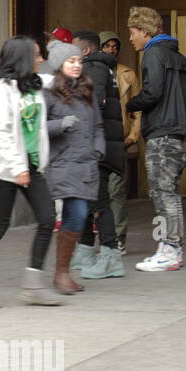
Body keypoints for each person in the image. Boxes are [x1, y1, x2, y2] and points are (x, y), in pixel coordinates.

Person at [0, 36, 61, 308]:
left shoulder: (33, 85)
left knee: (46, 219)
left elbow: (59, 80)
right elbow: (0, 133)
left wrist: (71, 66)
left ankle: (33, 284)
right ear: (22, 58)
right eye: (37, 55)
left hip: (33, 166)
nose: (42, 59)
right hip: (6, 168)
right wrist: (18, 166)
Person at [124, 6, 186, 272]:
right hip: (176, 135)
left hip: (161, 135)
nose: (131, 38)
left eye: (133, 32)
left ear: (145, 32)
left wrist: (128, 104)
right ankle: (170, 248)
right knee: (167, 192)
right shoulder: (179, 57)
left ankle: (171, 249)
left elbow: (152, 93)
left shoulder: (152, 54)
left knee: (163, 193)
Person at [42, 42, 105, 294]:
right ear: (59, 65)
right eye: (71, 61)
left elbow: (98, 127)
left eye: (79, 60)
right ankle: (60, 273)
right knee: (76, 214)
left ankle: (62, 273)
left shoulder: (87, 91)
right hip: (62, 164)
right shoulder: (47, 94)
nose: (77, 65)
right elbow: (35, 128)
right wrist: (60, 124)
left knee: (77, 217)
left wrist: (98, 149)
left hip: (87, 164)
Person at [70, 31, 126, 280]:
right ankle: (84, 251)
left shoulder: (94, 67)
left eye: (73, 49)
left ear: (85, 51)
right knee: (87, 199)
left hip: (96, 147)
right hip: (99, 144)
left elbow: (93, 104)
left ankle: (110, 256)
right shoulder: (102, 67)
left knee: (100, 202)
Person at [100, 30, 138, 254]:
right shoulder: (89, 71)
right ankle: (93, 238)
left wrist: (133, 135)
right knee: (95, 191)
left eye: (115, 46)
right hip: (96, 139)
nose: (112, 50)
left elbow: (137, 109)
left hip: (118, 140)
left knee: (116, 191)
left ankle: (118, 237)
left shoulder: (127, 74)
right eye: (107, 46)